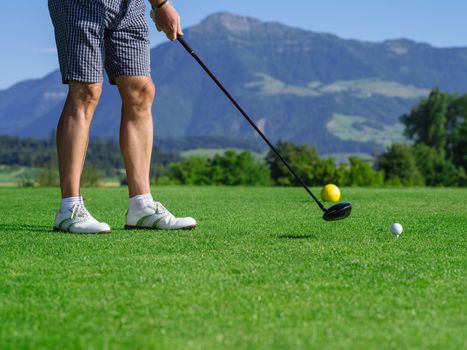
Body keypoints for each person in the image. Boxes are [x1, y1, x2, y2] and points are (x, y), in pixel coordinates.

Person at [48, 0, 197, 233]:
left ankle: (141, 206)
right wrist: (161, 4)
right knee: (86, 90)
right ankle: (70, 208)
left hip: (129, 6)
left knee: (141, 90)